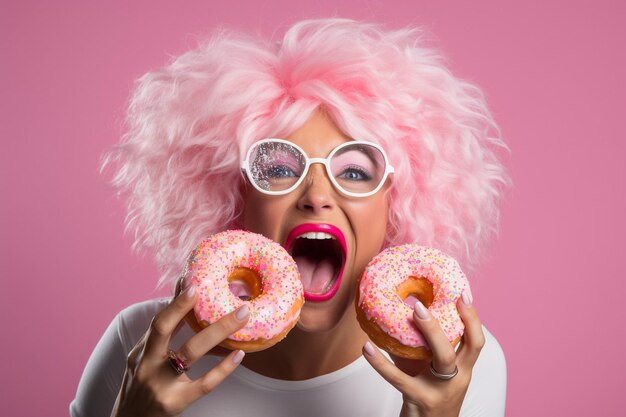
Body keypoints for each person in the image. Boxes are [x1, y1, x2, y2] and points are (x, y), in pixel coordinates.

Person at [71, 19, 509, 417]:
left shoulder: (459, 367)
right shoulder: (140, 346)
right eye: (280, 168)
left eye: (355, 171)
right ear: (236, 199)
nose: (317, 196)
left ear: (394, 205)